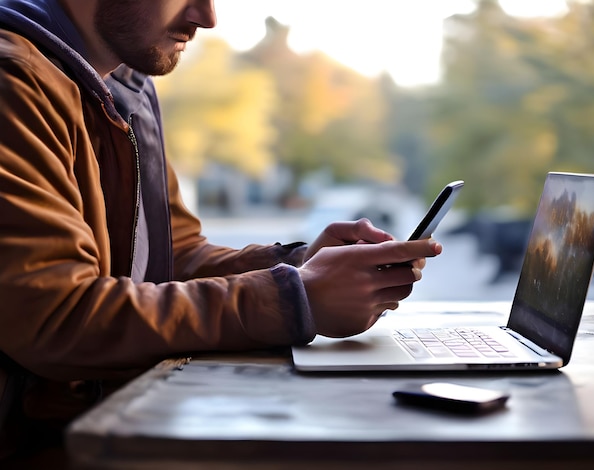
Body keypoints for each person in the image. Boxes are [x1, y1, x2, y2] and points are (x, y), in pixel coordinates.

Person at [0, 0, 442, 460]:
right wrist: (295, 299)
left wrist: (297, 266)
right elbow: (54, 316)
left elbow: (173, 258)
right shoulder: (13, 80)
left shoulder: (124, 84)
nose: (207, 17)